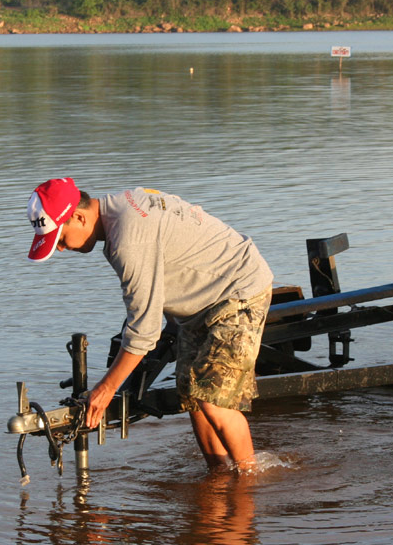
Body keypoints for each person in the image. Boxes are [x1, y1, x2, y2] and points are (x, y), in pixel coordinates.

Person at [26, 178, 273, 469]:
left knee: (213, 399)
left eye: (61, 239)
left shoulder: (128, 238)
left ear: (79, 217)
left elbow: (145, 330)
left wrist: (105, 390)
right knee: (192, 396)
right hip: (202, 303)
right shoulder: (119, 208)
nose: (62, 249)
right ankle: (219, 474)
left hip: (237, 291)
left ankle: (251, 480)